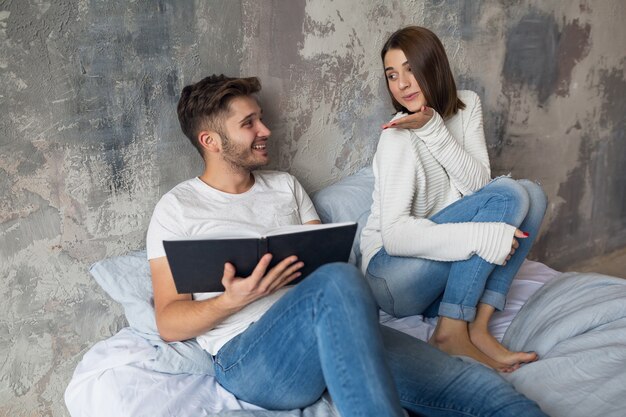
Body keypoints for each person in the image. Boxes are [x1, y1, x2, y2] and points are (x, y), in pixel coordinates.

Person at [146, 74, 547, 416]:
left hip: (336, 324)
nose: (265, 130)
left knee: (484, 390)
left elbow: (325, 261)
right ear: (211, 140)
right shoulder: (177, 209)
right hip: (251, 356)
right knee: (339, 280)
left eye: (261, 119)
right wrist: (232, 300)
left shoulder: (285, 186)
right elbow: (169, 322)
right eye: (249, 123)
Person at [360, 26, 548, 372]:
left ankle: (477, 326)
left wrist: (433, 128)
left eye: (410, 69)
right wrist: (484, 236)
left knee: (531, 195)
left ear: (433, 65)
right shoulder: (396, 137)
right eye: (391, 75)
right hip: (391, 276)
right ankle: (450, 330)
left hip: (437, 273)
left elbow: (479, 187)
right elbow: (397, 236)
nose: (401, 84)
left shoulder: (467, 105)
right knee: (509, 193)